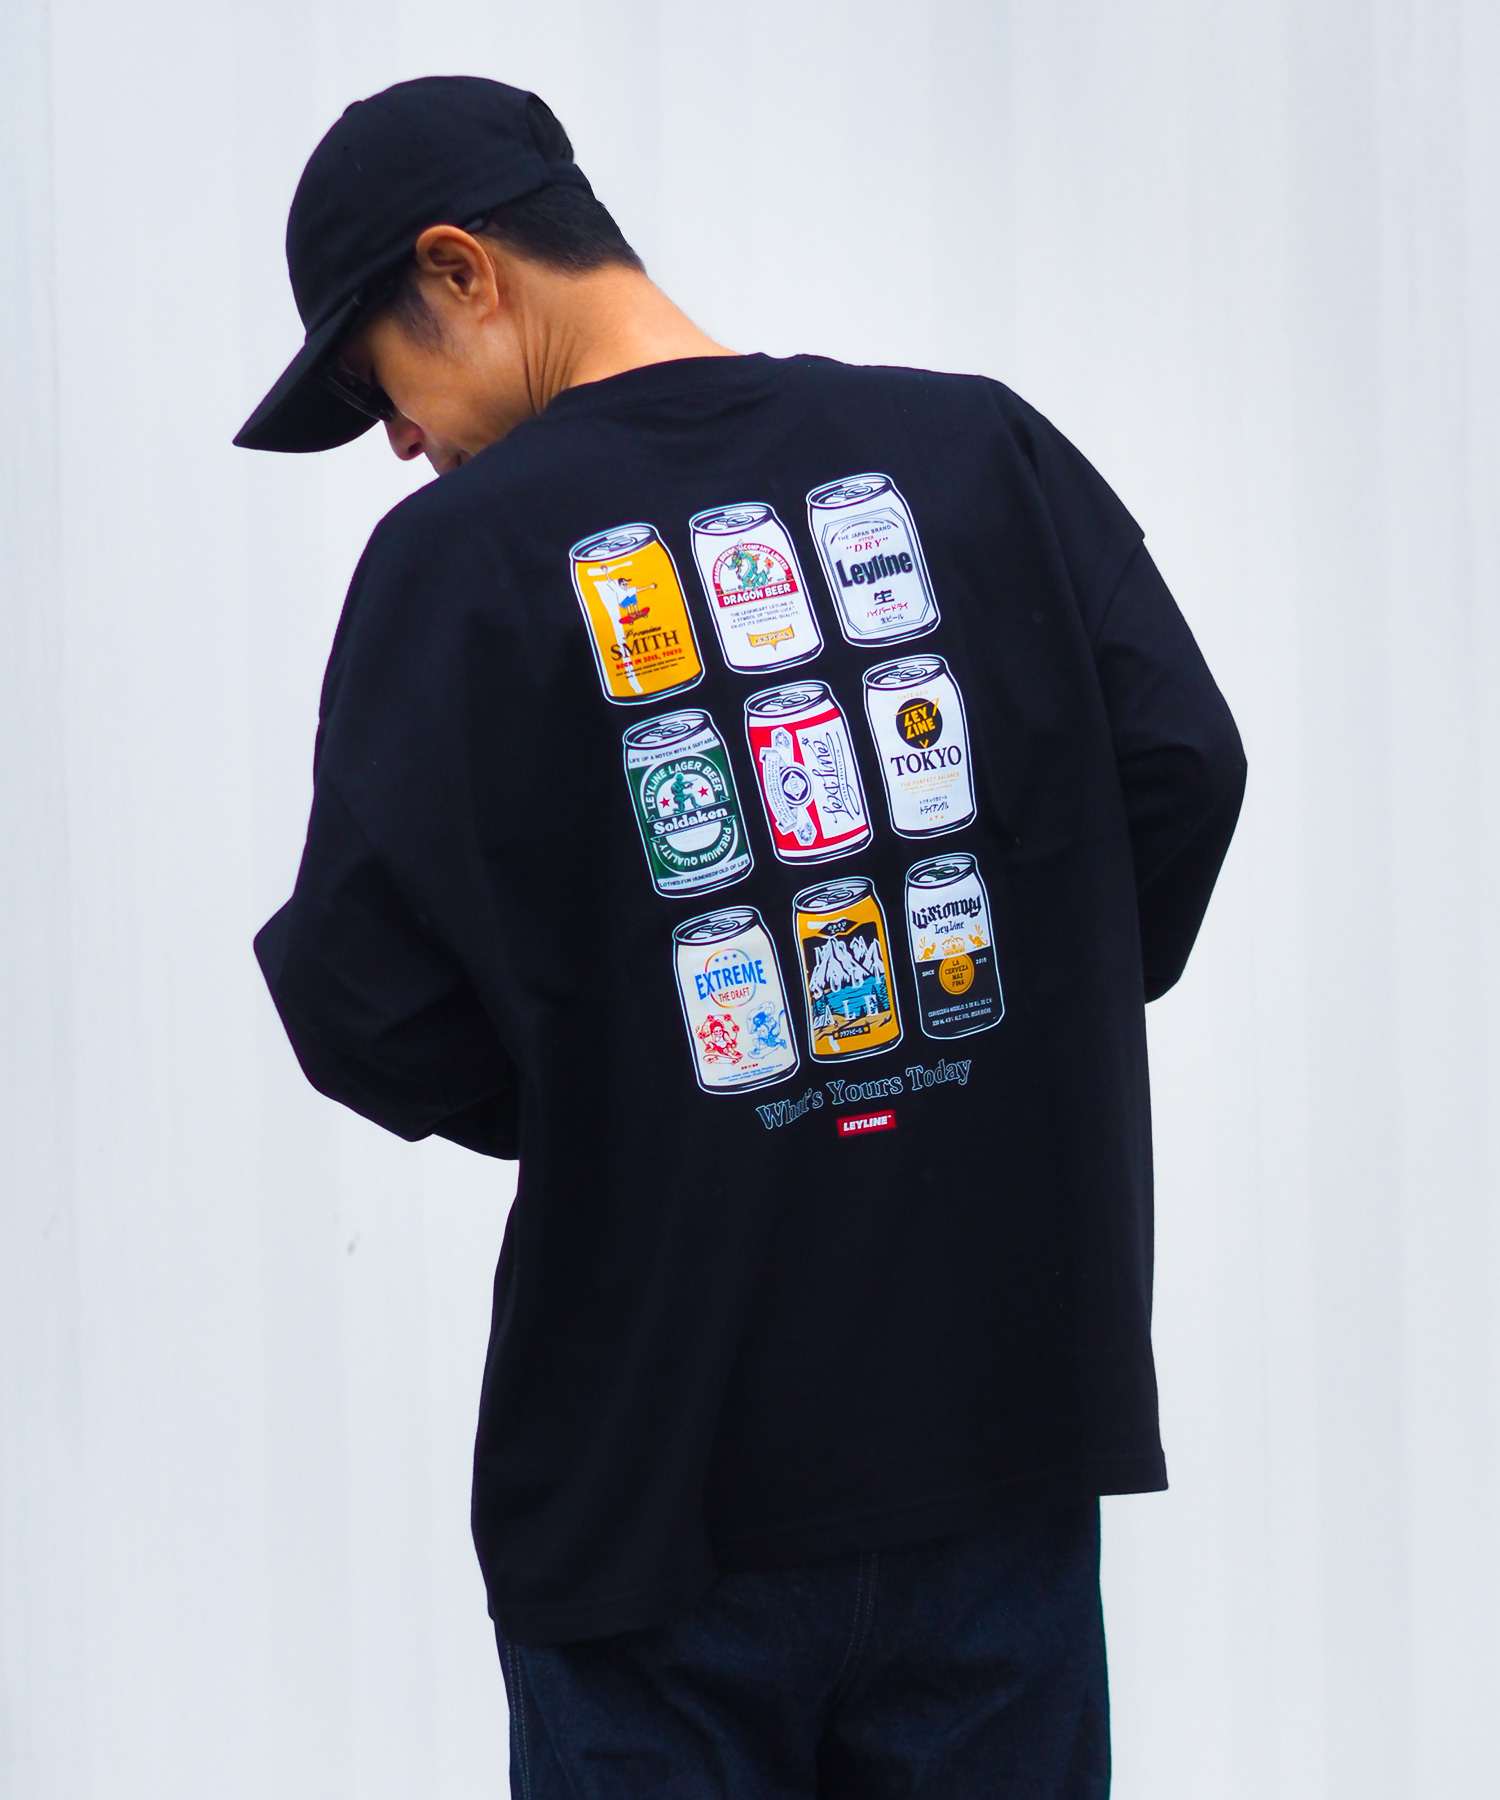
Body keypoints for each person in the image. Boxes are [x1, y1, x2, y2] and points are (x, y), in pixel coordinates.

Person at [238, 74, 1245, 1800]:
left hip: (655, 1493)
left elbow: (359, 999)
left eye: (371, 378)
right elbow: (1182, 765)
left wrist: (626, 1083)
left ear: (462, 269)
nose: (394, 440)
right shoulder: (980, 455)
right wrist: (1001, 1021)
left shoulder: (457, 563)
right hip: (995, 1437)